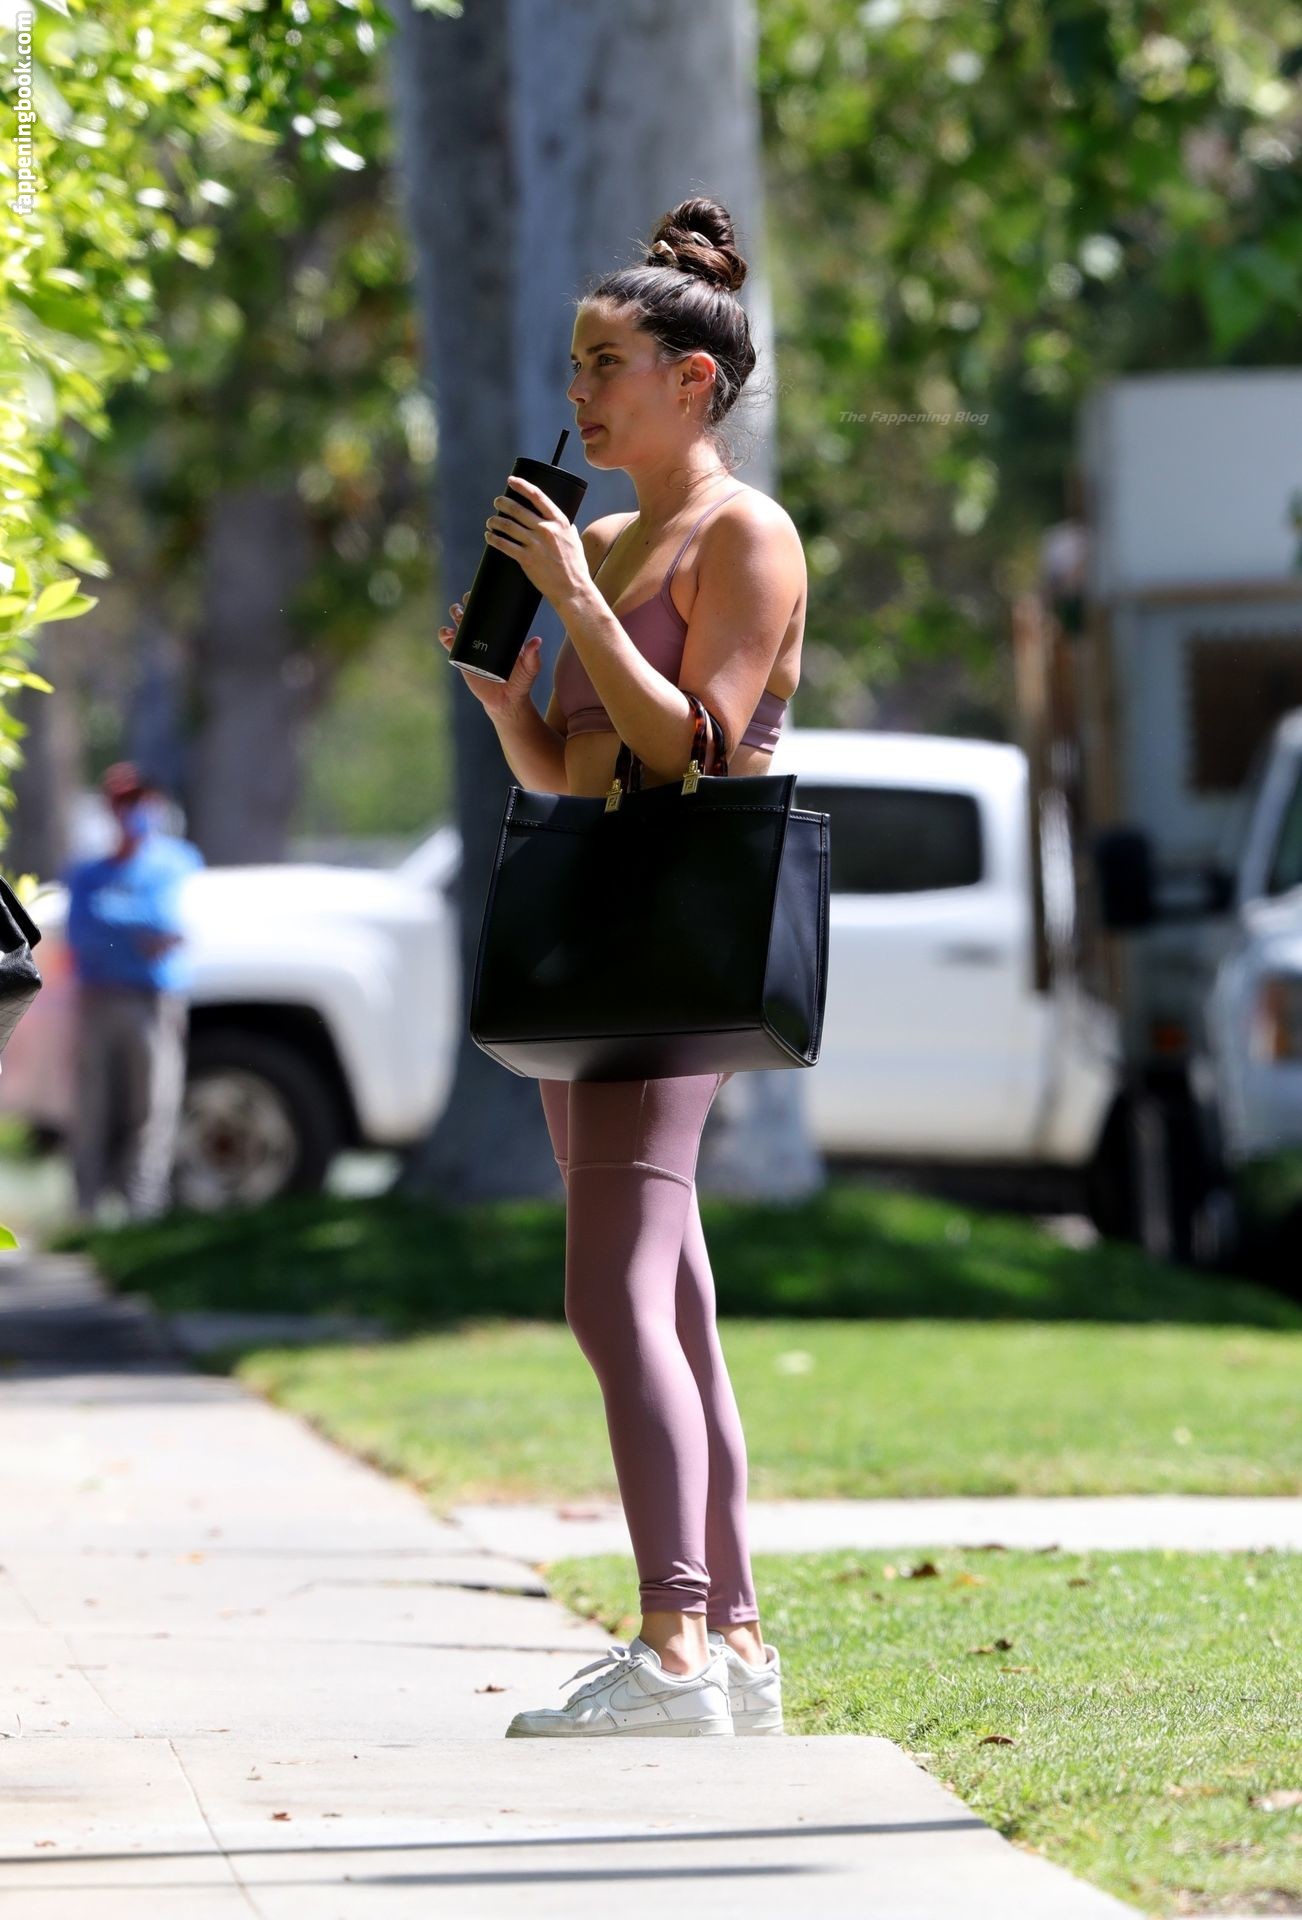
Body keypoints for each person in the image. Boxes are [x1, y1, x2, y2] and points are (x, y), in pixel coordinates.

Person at [439, 196, 806, 1737]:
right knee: (671, 1299)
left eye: (608, 365)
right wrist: (501, 697)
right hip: (593, 930)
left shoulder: (744, 536)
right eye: (576, 365)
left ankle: (669, 1648)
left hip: (678, 935)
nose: (581, 394)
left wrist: (585, 607)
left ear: (691, 383)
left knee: (608, 1298)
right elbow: (568, 766)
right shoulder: (596, 537)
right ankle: (732, 1642)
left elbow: (689, 752)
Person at [62, 762, 205, 1222]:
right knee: (93, 1108)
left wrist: (120, 919)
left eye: (141, 801)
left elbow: (170, 922)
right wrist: (139, 928)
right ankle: (86, 1211)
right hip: (98, 999)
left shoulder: (178, 862)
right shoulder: (87, 873)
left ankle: (142, 1210)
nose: (134, 811)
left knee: (152, 1107)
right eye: (124, 803)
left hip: (155, 1001)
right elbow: (83, 930)